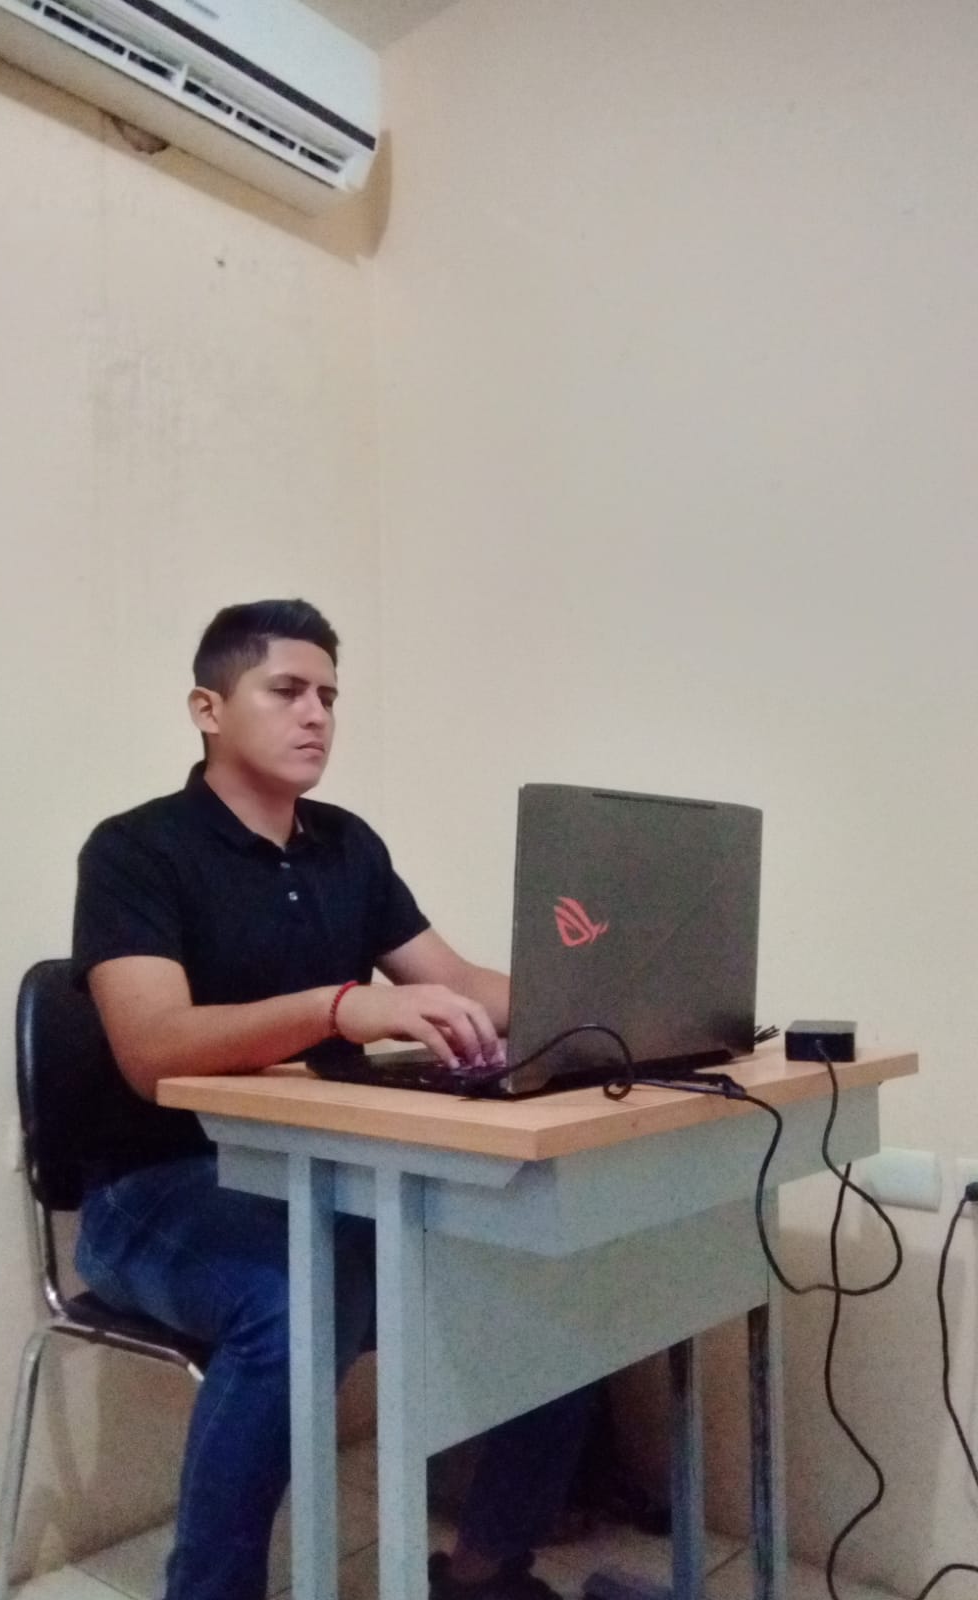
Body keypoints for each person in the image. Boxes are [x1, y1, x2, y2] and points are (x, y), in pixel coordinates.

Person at [71, 598, 592, 1600]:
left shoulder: (347, 845)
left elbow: (455, 979)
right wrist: (340, 1005)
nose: (317, 714)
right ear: (208, 708)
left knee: (544, 1271)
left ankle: (484, 1570)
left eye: (329, 696)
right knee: (298, 1297)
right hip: (154, 1186)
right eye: (287, 690)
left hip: (318, 1175)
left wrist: (603, 1004)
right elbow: (152, 1049)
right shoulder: (136, 850)